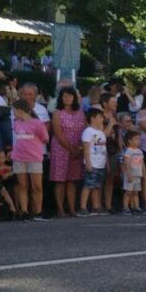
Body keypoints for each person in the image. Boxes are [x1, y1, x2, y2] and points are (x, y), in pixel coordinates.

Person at [50, 86, 85, 218]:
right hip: (61, 149)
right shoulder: (57, 113)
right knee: (60, 180)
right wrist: (71, 149)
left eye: (70, 96)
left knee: (72, 180)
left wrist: (79, 148)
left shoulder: (80, 112)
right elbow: (58, 134)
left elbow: (85, 130)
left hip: (77, 148)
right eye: (64, 96)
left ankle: (71, 208)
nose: (67, 98)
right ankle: (60, 209)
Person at [10, 100, 48, 221]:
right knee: (22, 185)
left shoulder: (37, 124)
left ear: (20, 110)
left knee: (37, 186)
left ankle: (38, 211)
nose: (13, 113)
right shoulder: (16, 123)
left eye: (14, 111)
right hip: (19, 157)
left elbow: (45, 138)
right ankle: (24, 211)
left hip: (34, 157)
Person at [79, 108, 108, 217]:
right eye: (100, 117)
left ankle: (96, 206)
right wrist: (88, 162)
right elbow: (86, 148)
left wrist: (106, 163)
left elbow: (104, 149)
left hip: (101, 163)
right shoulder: (88, 131)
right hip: (92, 163)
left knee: (97, 186)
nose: (102, 119)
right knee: (88, 185)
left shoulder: (101, 132)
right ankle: (82, 207)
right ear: (93, 118)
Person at [121, 130, 146, 215]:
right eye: (136, 139)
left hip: (138, 175)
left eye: (139, 139)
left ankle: (136, 207)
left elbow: (142, 163)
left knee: (136, 192)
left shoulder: (140, 151)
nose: (138, 141)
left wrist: (144, 173)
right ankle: (125, 208)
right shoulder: (128, 151)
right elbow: (126, 163)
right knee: (128, 192)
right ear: (129, 141)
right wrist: (128, 174)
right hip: (130, 175)